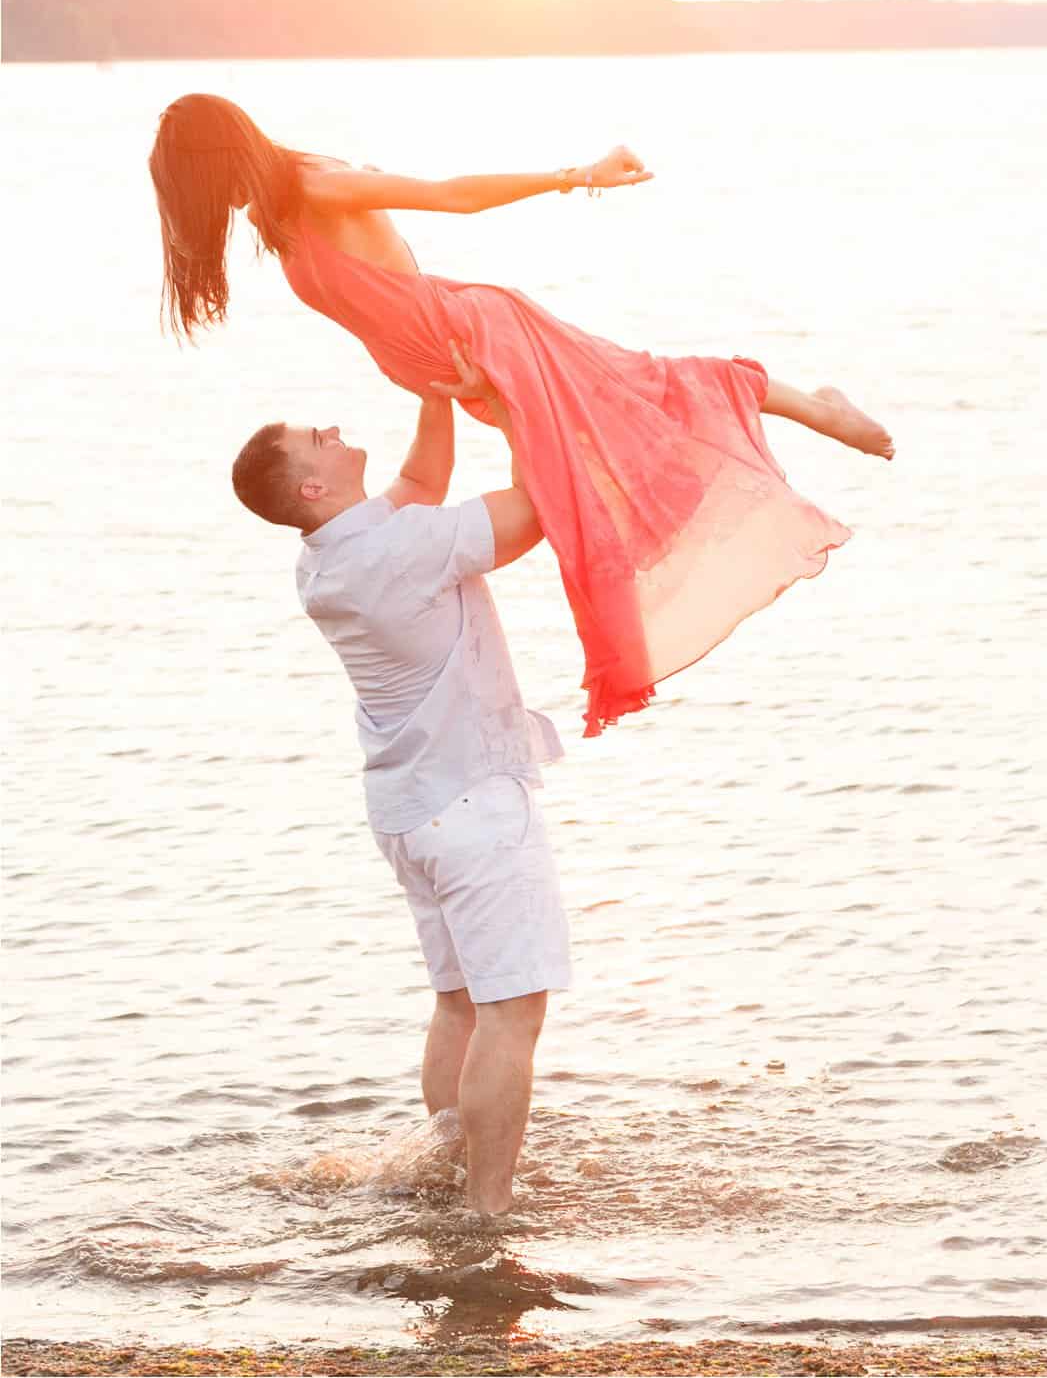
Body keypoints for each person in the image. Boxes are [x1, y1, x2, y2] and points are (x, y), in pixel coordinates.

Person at [154, 93, 892, 737]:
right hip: (449, 367)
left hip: (483, 338)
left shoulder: (315, 184)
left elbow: (449, 196)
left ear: (218, 158)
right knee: (602, 445)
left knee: (634, 399)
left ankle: (817, 407)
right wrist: (429, 380)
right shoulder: (277, 218)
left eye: (191, 185)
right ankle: (801, 415)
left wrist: (577, 176)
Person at [230, 352, 570, 1216]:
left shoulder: (329, 558)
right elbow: (534, 512)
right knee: (511, 1015)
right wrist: (528, 406)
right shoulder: (396, 553)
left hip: (411, 814)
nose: (337, 432)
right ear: (311, 487)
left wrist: (435, 389)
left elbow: (425, 477)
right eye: (321, 438)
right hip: (473, 806)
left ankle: (448, 1174)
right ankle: (488, 1212)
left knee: (458, 1003)